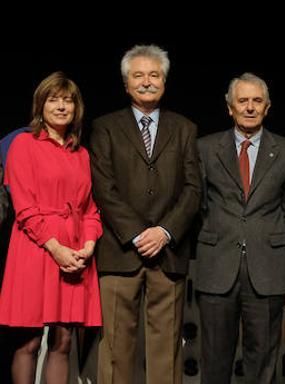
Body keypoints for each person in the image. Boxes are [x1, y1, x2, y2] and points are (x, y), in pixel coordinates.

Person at [90, 44, 201, 384]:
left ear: (165, 82)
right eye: (138, 75)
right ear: (126, 84)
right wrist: (139, 233)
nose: (147, 82)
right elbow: (103, 188)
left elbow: (193, 189)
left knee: (166, 351)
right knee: (115, 352)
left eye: (154, 75)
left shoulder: (185, 128)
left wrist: (164, 231)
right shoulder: (105, 127)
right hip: (119, 252)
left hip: (168, 253)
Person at [195, 72, 285, 384]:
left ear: (267, 107)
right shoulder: (205, 148)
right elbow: (199, 205)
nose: (250, 107)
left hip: (267, 269)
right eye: (243, 101)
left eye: (257, 101)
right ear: (230, 107)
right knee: (214, 361)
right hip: (217, 267)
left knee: (262, 362)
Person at [0, 71, 102, 384]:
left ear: (76, 108)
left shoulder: (81, 153)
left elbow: (89, 209)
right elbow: (25, 209)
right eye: (53, 99)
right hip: (36, 248)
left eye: (67, 100)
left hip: (73, 252)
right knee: (29, 342)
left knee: (64, 341)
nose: (60, 106)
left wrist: (88, 245)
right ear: (40, 105)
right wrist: (56, 248)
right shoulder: (23, 145)